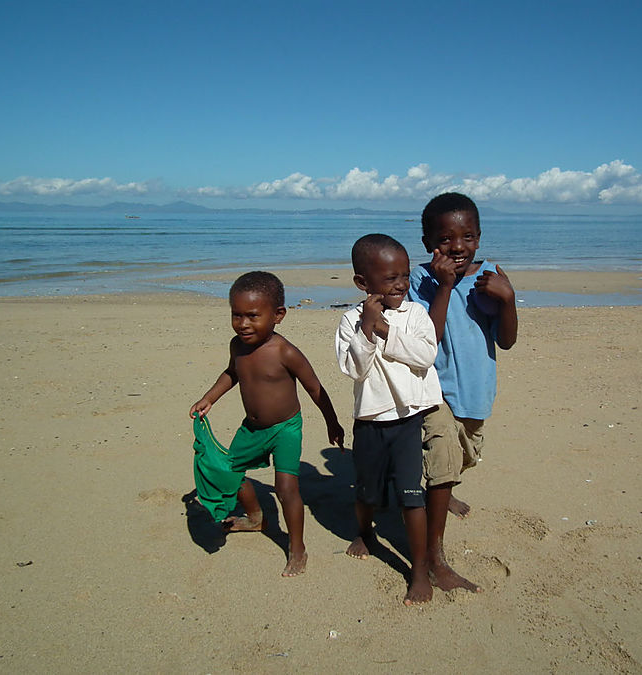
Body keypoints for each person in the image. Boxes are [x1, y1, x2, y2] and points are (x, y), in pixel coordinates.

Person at [190, 271, 344, 577]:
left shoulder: (285, 352)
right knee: (229, 473)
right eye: (236, 315)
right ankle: (257, 517)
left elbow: (314, 387)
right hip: (252, 428)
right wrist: (209, 398)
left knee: (286, 487)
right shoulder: (238, 346)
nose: (243, 324)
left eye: (252, 316)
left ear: (278, 315)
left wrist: (332, 422)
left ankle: (297, 547)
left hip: (286, 428)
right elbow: (232, 373)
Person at [408, 192, 518, 594]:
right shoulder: (420, 281)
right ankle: (433, 560)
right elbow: (428, 340)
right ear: (427, 242)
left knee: (463, 456)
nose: (457, 247)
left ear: (479, 236)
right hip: (433, 392)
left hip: (476, 393)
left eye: (468, 237)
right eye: (446, 239)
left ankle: (443, 488)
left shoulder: (491, 277)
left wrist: (508, 300)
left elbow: (506, 341)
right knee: (441, 459)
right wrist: (445, 285)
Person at [335, 234, 443, 605]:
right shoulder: (350, 320)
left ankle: (418, 570)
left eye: (405, 276)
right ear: (363, 284)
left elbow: (425, 355)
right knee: (366, 492)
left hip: (407, 421)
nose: (400, 284)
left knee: (412, 496)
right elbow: (354, 368)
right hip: (369, 422)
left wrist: (385, 329)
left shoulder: (415, 315)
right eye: (390, 278)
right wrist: (367, 326)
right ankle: (365, 532)